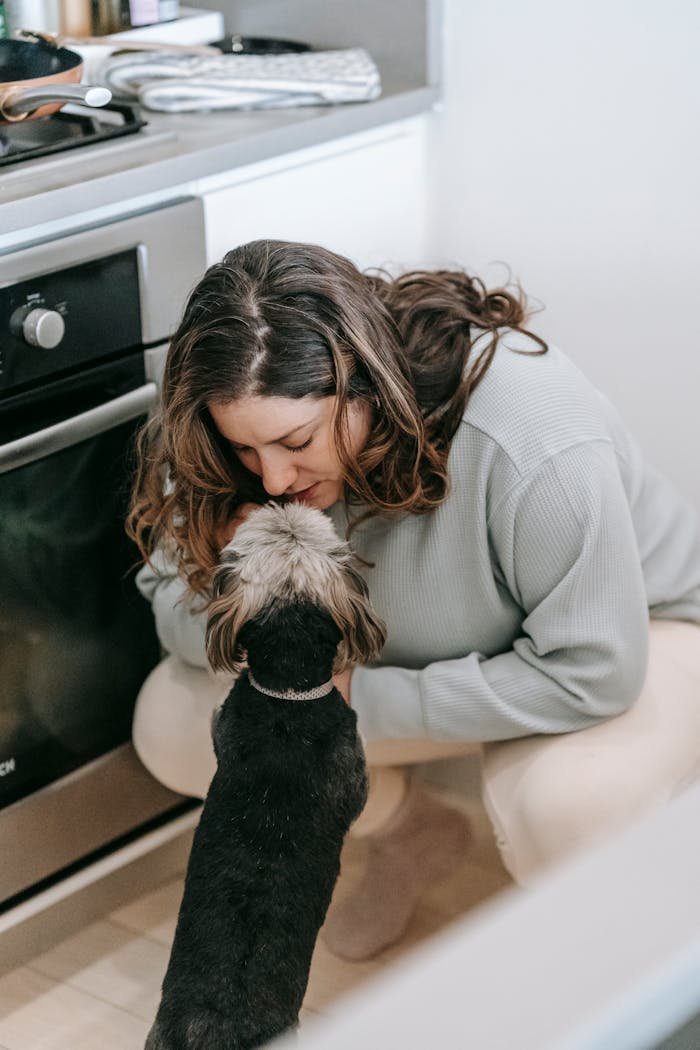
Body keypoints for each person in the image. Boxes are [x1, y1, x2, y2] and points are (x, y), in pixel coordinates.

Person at [128, 239, 700, 961]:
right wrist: (233, 586)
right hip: (433, 659)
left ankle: (618, 984)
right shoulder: (232, 412)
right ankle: (413, 833)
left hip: (640, 635)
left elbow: (594, 672)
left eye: (296, 441)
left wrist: (349, 702)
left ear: (370, 387)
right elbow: (171, 610)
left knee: (571, 809)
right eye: (246, 451)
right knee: (173, 723)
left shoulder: (533, 435)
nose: (271, 478)